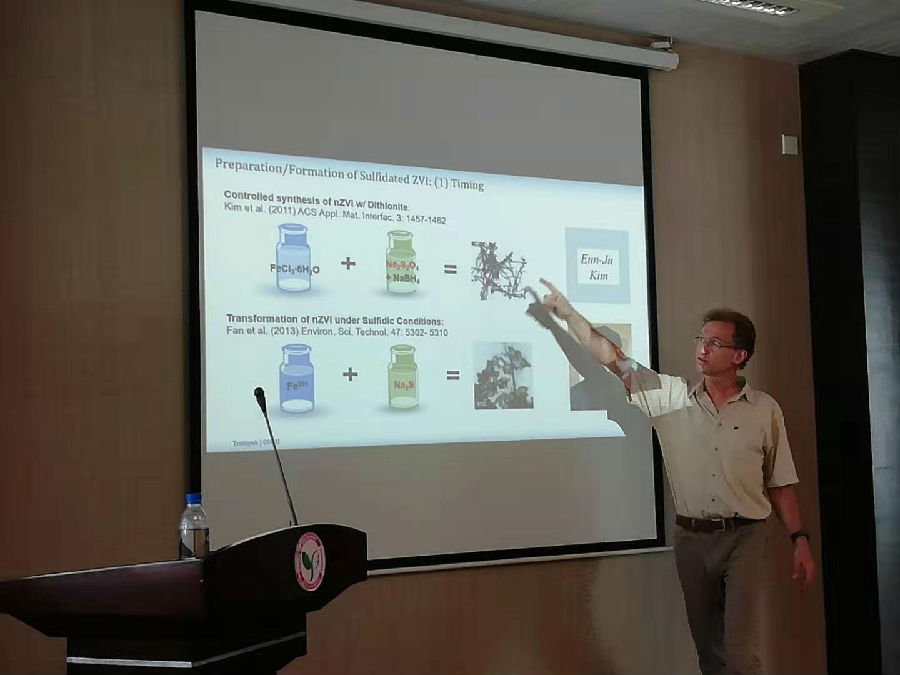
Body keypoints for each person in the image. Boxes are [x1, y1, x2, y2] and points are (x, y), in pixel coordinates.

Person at [532, 279, 815, 675]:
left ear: (739, 356)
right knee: (710, 655)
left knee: (740, 654)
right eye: (701, 339)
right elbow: (611, 359)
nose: (703, 348)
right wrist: (565, 315)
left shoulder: (765, 410)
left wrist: (799, 539)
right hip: (692, 540)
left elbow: (780, 482)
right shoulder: (669, 396)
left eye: (715, 343)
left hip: (746, 538)